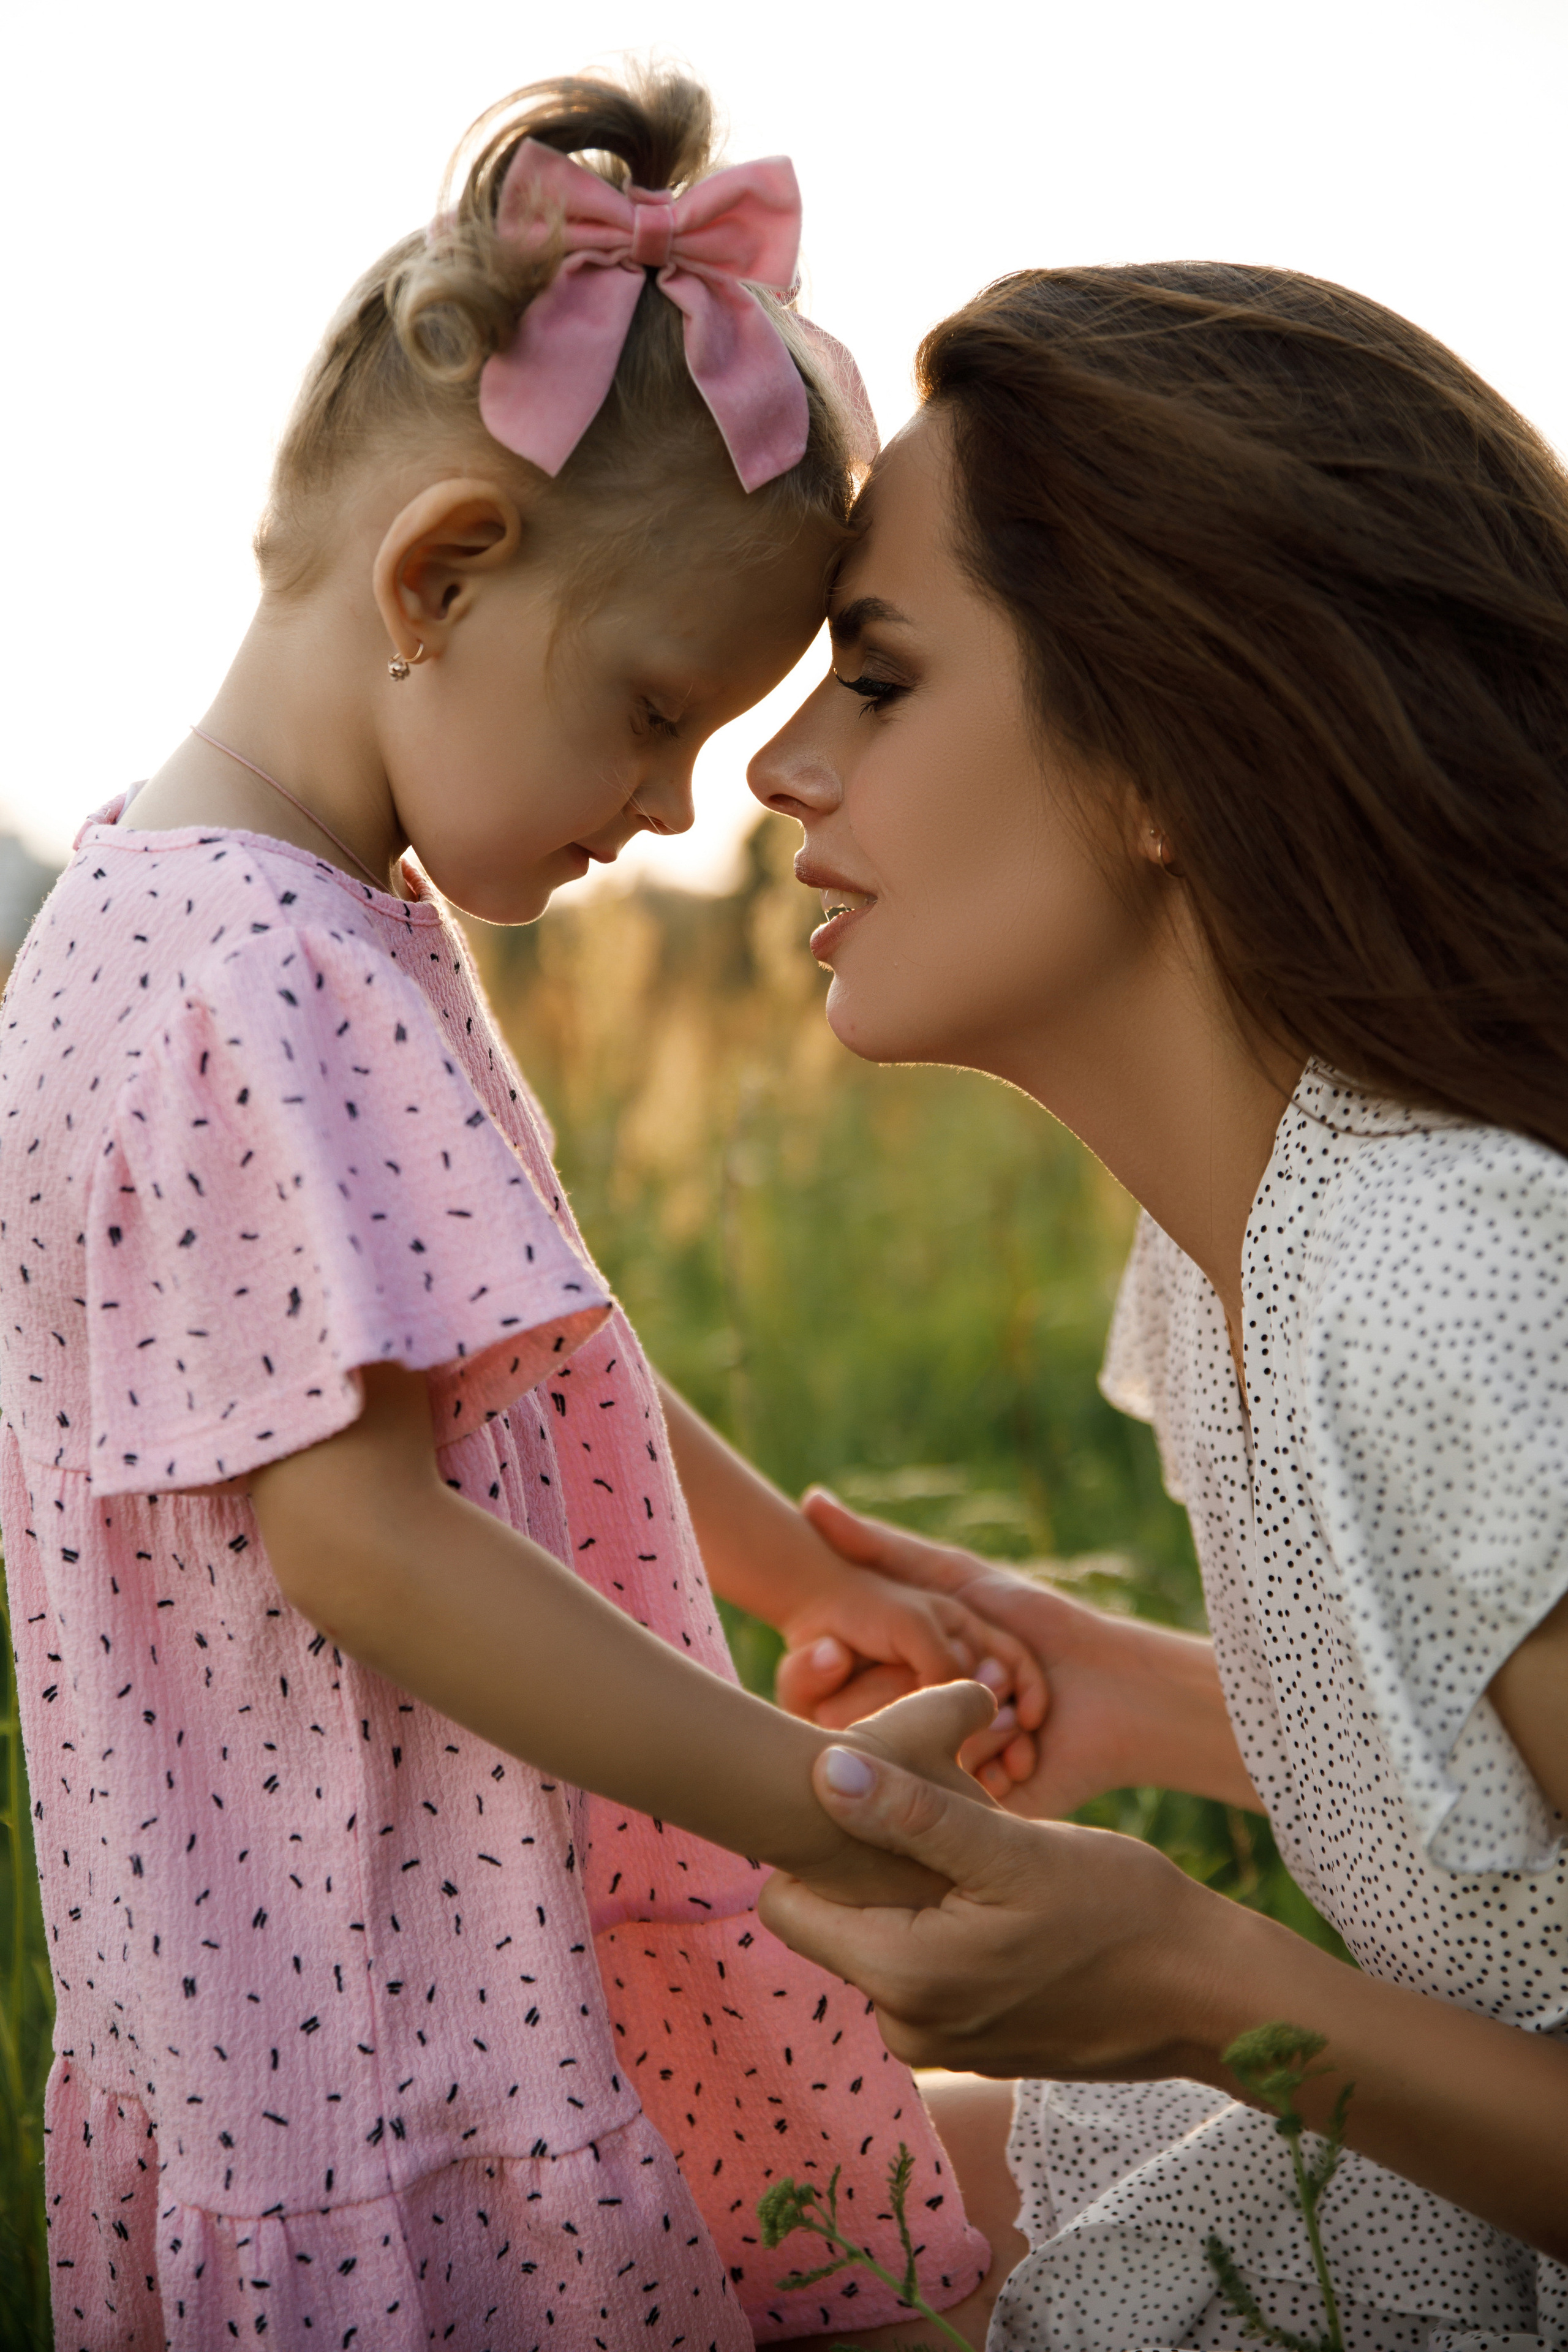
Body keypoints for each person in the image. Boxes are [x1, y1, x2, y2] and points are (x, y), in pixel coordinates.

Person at [0, 66, 1040, 2351]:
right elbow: (356, 1535)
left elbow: (530, 1364)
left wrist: (820, 1578)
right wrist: (814, 1793)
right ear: (440, 573)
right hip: (377, 2031)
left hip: (407, 1978)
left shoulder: (240, 918)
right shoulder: (249, 980)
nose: (674, 808)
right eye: (656, 711)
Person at [747, 262, 1568, 2347]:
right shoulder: (1240, 1266)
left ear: (1168, 752)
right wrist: (1140, 1699)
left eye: (881, 677)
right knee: (731, 2204)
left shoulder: (1456, 1270)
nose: (777, 765)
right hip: (1454, 2197)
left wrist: (1202, 1988)